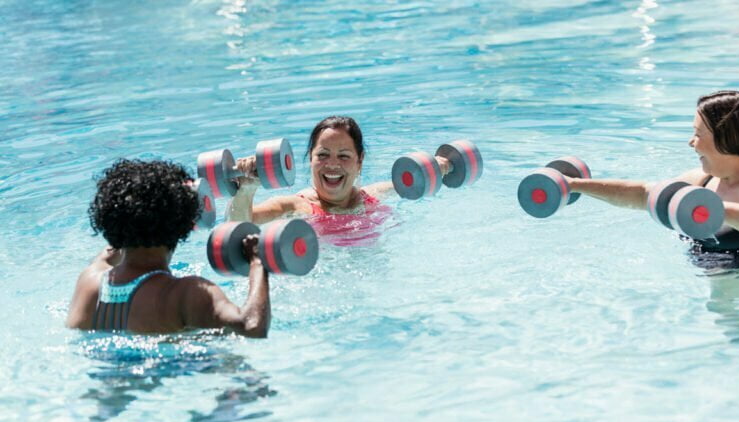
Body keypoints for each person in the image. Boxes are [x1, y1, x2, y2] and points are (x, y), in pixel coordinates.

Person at [66, 159, 271, 337]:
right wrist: (257, 261)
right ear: (185, 224)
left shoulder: (90, 280)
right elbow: (252, 327)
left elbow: (115, 245)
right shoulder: (186, 294)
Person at [566, 90, 739, 265]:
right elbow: (643, 193)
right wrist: (575, 185)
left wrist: (714, 208)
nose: (691, 142)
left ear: (724, 136)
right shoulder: (703, 180)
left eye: (697, 134)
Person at [227, 116, 451, 244]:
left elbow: (414, 179)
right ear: (311, 160)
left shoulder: (372, 196)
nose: (332, 165)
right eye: (323, 155)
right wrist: (246, 188)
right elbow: (239, 226)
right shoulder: (295, 206)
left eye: (343, 156)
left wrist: (445, 165)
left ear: (359, 162)